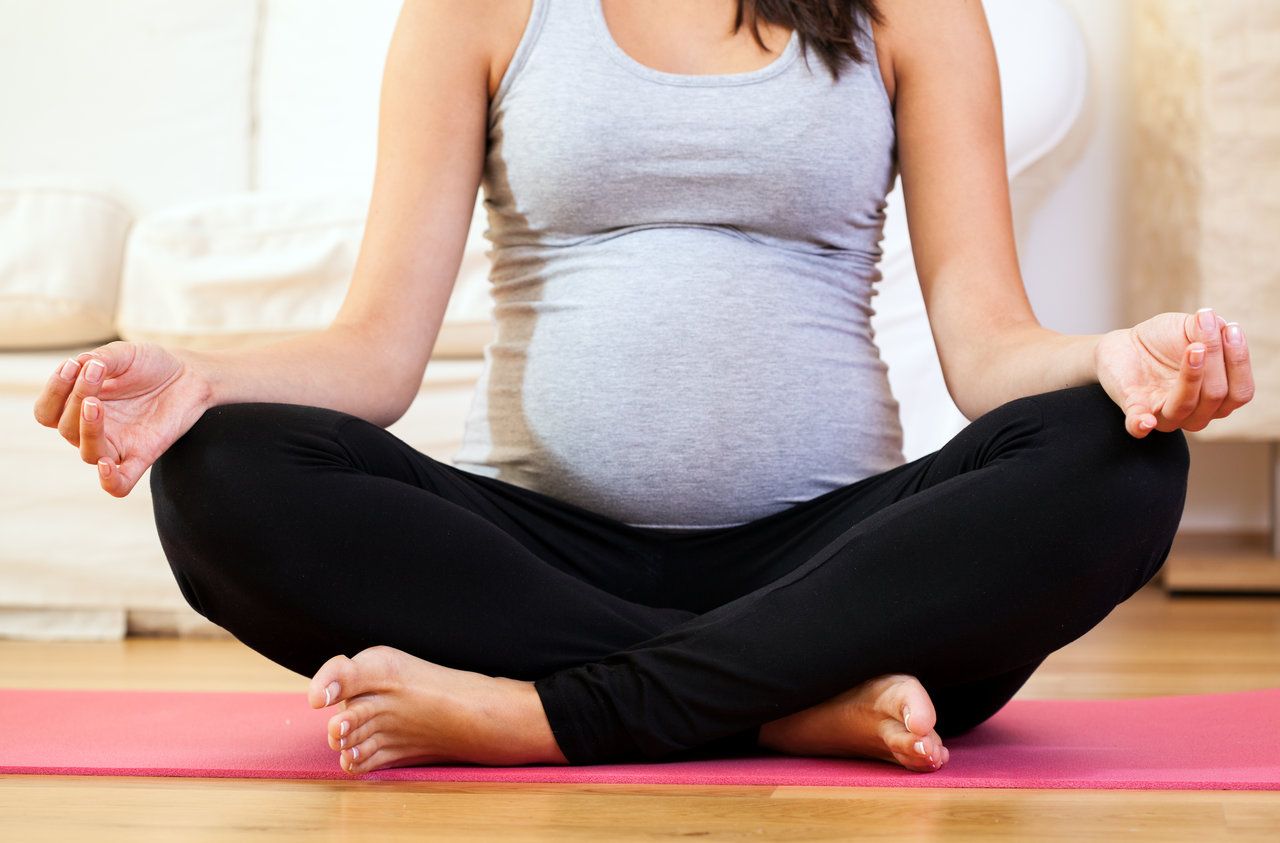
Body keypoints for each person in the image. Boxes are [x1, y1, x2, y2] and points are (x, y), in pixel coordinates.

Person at [34, 0, 1254, 776]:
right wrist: (204, 376)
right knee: (218, 474)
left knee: (1123, 457)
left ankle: (550, 718)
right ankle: (781, 703)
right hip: (536, 567)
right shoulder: (476, 8)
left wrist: (1107, 361)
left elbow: (988, 345)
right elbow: (374, 355)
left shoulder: (913, 11)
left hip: (829, 567)